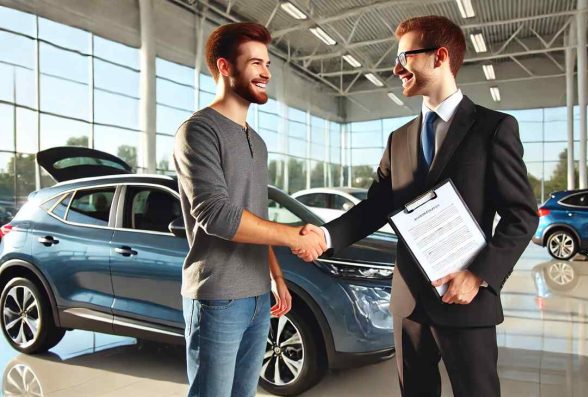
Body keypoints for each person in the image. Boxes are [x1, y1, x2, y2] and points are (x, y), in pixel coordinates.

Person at [297, 15, 539, 397]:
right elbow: (375, 208)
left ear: (439, 57)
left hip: (466, 298)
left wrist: (478, 275)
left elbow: (521, 215)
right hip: (408, 303)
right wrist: (325, 235)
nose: (396, 68)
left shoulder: (493, 128)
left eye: (404, 57)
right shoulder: (399, 139)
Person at [173, 22, 326, 397]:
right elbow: (218, 215)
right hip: (218, 297)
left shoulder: (256, 140)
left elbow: (253, 214)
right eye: (255, 63)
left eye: (268, 64)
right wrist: (295, 237)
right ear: (225, 67)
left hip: (259, 297)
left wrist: (275, 277)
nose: (266, 72)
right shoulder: (198, 131)